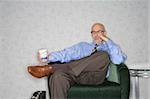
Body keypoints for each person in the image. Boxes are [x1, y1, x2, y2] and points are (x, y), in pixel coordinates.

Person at [28, 23, 126, 99]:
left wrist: (107, 40)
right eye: (93, 32)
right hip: (76, 75)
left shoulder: (109, 48)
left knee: (103, 56)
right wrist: (49, 57)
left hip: (95, 77)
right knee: (57, 76)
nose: (96, 34)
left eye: (99, 31)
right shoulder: (83, 46)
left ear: (104, 33)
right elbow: (67, 53)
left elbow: (118, 60)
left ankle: (51, 68)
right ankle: (53, 69)